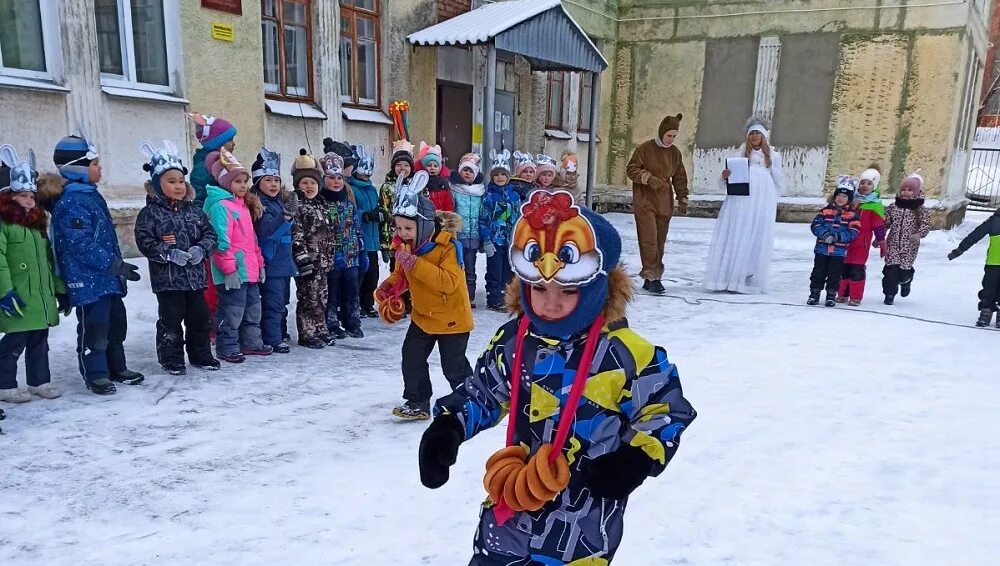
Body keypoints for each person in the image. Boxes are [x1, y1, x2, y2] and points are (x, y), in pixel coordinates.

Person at [417, 190, 696, 564]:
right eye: (539, 289)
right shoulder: (515, 339)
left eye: (567, 290)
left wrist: (635, 459)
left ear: (598, 287)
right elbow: (484, 391)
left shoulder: (627, 353)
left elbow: (665, 410)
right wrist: (449, 426)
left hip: (582, 527)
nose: (550, 302)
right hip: (511, 511)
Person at [40, 135, 144, 395]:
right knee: (95, 327)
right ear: (79, 167)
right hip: (87, 279)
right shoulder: (72, 201)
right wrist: (114, 264)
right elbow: (79, 243)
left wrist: (114, 268)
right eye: (95, 163)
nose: (100, 169)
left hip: (107, 277)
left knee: (116, 324)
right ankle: (96, 373)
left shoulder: (89, 195)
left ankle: (116, 367)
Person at [376, 171, 473, 421]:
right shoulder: (406, 247)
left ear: (425, 226)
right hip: (423, 316)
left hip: (452, 320)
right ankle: (418, 401)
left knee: (454, 367)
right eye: (398, 227)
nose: (403, 233)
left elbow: (449, 283)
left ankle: (472, 400)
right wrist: (389, 287)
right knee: (412, 356)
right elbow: (402, 276)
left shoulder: (448, 247)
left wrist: (415, 264)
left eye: (408, 227)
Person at [134, 140, 220, 375]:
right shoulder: (150, 213)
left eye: (181, 181)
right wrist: (169, 253)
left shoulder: (193, 210)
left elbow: (210, 235)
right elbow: (145, 242)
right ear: (156, 184)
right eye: (171, 182)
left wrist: (201, 249)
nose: (178, 186)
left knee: (200, 319)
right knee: (171, 321)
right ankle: (171, 358)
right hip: (168, 281)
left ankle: (201, 354)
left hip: (195, 278)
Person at [0, 146, 65, 403]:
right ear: (9, 198)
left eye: (32, 196)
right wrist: (4, 291)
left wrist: (59, 289)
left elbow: (50, 261)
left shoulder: (38, 226)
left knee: (40, 341)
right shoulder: (5, 226)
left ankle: (39, 381)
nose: (29, 201)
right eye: (23, 196)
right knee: (15, 342)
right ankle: (5, 384)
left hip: (40, 297)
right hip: (18, 297)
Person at [704, 117, 786, 294]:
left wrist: (771, 200)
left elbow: (778, 181)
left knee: (755, 235)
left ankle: (748, 275)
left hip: (761, 202)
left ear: (764, 136)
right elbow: (729, 180)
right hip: (740, 201)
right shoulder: (739, 155)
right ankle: (729, 275)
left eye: (758, 133)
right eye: (752, 133)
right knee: (737, 233)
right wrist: (724, 177)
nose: (755, 136)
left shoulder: (773, 156)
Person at [204, 149, 269, 363]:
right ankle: (227, 346)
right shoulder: (221, 207)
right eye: (237, 181)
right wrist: (229, 269)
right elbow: (221, 243)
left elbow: (252, 241)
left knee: (252, 309)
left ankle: (251, 342)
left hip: (248, 270)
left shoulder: (241, 206)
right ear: (225, 183)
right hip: (232, 272)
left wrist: (259, 264)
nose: (243, 186)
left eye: (245, 181)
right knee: (232, 311)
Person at [626, 113, 689, 294]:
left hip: (664, 200)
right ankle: (652, 277)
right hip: (645, 200)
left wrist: (682, 198)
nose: (671, 139)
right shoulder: (645, 149)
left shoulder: (675, 153)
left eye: (674, 136)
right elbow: (632, 169)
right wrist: (648, 178)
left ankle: (652, 275)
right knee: (649, 239)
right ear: (662, 132)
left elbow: (680, 177)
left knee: (660, 241)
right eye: (669, 135)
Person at [251, 147, 297, 353]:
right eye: (268, 180)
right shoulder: (260, 205)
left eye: (276, 180)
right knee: (273, 303)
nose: (273, 184)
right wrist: (285, 217)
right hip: (271, 262)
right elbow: (267, 231)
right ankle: (272, 338)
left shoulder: (278, 202)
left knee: (282, 302)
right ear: (258, 182)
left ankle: (279, 331)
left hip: (283, 262)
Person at [291, 150, 336, 349]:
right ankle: (307, 332)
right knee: (308, 297)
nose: (309, 187)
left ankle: (320, 327)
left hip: (323, 260)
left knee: (322, 296)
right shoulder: (298, 206)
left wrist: (331, 254)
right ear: (297, 185)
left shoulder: (322, 205)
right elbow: (296, 234)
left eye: (313, 183)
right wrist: (302, 258)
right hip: (308, 261)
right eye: (304, 183)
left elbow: (329, 233)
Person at [320, 152, 365, 340]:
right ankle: (331, 322)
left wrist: (361, 249)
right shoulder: (321, 203)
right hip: (332, 258)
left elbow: (356, 226)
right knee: (332, 292)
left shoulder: (348, 203)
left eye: (339, 177)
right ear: (324, 179)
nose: (336, 181)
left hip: (351, 256)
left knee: (352, 291)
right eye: (331, 178)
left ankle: (352, 322)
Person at [808, 177, 861, 307]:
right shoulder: (825, 211)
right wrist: (824, 234)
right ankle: (814, 294)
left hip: (839, 251)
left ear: (849, 198)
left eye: (844, 196)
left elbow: (854, 231)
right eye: (838, 195)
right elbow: (815, 225)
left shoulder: (852, 216)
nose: (840, 198)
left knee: (835, 274)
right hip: (822, 249)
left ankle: (831, 295)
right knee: (818, 272)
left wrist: (839, 237)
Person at [837, 166, 886, 306]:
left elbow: (878, 225)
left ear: (874, 186)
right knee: (843, 267)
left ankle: (855, 296)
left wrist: (881, 241)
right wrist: (852, 206)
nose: (865, 186)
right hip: (845, 240)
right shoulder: (851, 199)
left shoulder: (875, 205)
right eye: (863, 182)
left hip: (861, 243)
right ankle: (842, 294)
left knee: (857, 269)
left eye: (869, 183)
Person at [479, 150, 521, 312]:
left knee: (508, 271)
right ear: (492, 177)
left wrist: (518, 238)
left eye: (503, 174)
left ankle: (507, 298)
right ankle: (494, 298)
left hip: (510, 242)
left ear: (508, 176)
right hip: (495, 241)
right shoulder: (489, 197)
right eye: (496, 175)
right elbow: (483, 219)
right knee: (494, 270)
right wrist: (487, 240)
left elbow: (518, 218)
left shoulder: (514, 197)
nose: (500, 178)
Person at [883, 173, 931, 305]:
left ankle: (906, 281)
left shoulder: (920, 209)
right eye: (904, 189)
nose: (906, 192)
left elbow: (926, 224)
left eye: (910, 190)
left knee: (904, 271)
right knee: (890, 271)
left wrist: (919, 234)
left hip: (909, 246)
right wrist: (880, 237)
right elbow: (886, 222)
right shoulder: (893, 206)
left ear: (916, 192)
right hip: (892, 244)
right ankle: (889, 294)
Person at [948, 208, 1000, 327]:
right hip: (993, 263)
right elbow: (976, 235)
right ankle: (986, 310)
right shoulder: (995, 220)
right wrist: (960, 249)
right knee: (989, 288)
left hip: (993, 262)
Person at [349, 144, 382, 319]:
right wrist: (366, 216)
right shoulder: (352, 188)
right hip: (360, 239)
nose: (367, 172)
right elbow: (351, 211)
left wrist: (379, 215)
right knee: (361, 274)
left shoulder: (372, 188)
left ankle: (368, 303)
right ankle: (358, 304)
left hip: (373, 238)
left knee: (373, 275)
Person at [450, 152, 486, 306]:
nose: (467, 173)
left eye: (471, 171)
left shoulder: (480, 192)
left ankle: (469, 297)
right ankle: (455, 295)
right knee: (456, 268)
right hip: (458, 236)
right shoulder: (454, 189)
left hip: (474, 236)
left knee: (470, 268)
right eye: (465, 170)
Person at [188, 113, 237, 209]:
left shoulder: (227, 163)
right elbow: (200, 199)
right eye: (230, 140)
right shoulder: (203, 168)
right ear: (217, 143)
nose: (234, 144)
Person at [419, 142, 455, 212]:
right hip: (426, 219)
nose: (432, 168)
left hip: (442, 218)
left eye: (435, 166)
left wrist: (447, 216)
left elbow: (448, 204)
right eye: (429, 165)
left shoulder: (444, 185)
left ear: (440, 168)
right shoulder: (421, 184)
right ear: (424, 167)